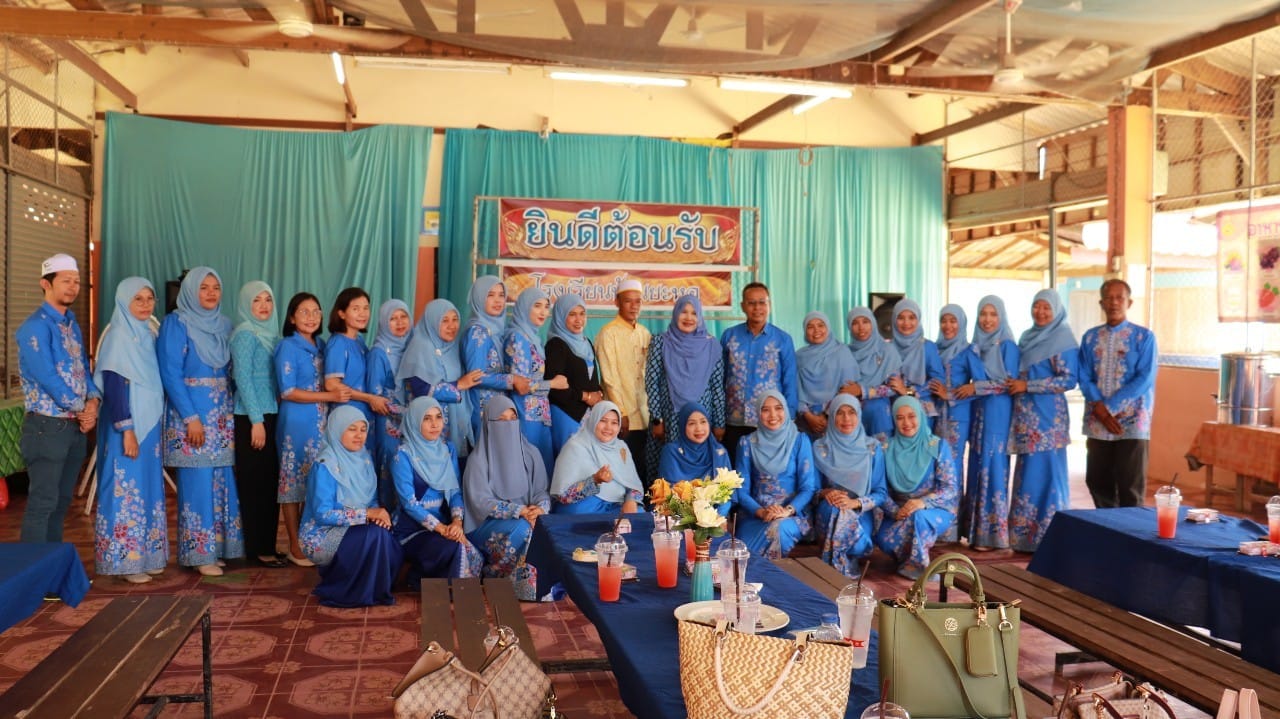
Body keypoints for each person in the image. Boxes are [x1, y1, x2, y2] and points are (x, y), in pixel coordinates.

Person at [157, 267, 244, 576]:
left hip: (221, 416)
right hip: (192, 417)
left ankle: (216, 549)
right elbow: (170, 373)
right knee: (197, 483)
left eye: (215, 287)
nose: (210, 293)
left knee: (220, 481)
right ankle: (198, 554)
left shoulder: (225, 325)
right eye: (203, 287)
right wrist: (191, 417)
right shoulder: (176, 323)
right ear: (190, 291)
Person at [17, 253, 100, 543]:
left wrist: (93, 402)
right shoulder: (34, 327)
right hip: (47, 427)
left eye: (76, 281)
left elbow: (83, 370)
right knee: (43, 503)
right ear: (46, 283)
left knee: (62, 502)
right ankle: (33, 569)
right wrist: (82, 409)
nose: (73, 287)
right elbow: (48, 377)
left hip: (73, 428)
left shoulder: (71, 324)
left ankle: (51, 565)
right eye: (66, 281)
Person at [93, 277, 167, 583]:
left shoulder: (148, 334)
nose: (146, 304)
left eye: (150, 298)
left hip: (148, 427)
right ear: (124, 301)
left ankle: (147, 555)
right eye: (138, 299)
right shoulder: (118, 337)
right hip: (126, 427)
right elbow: (114, 387)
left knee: (147, 488)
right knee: (125, 490)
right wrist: (127, 429)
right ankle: (125, 561)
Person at [299, 405, 403, 607]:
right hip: (321, 534)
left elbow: (371, 500)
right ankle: (350, 591)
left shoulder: (364, 459)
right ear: (337, 430)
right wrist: (367, 515)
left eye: (363, 430)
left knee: (384, 535)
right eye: (352, 429)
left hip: (355, 526)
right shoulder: (325, 465)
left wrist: (376, 517)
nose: (359, 436)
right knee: (374, 535)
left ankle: (374, 590)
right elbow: (323, 514)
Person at [275, 293, 345, 567]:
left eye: (316, 311)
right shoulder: (287, 346)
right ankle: (295, 544)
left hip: (323, 422)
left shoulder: (323, 345)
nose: (311, 317)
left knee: (315, 479)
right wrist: (330, 397)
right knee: (292, 483)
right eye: (304, 312)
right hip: (297, 422)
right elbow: (288, 391)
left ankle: (311, 540)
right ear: (292, 317)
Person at [1008, 289, 1078, 552]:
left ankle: (1049, 537)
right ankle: (1024, 538)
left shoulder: (1064, 339)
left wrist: (1029, 385)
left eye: (1047, 307)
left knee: (1048, 475)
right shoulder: (1027, 337)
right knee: (1028, 474)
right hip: (1025, 417)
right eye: (1037, 306)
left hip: (1049, 420)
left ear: (1057, 310)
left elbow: (1068, 380)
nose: (1041, 312)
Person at [1078, 279, 1157, 509]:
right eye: (1108, 298)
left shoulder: (1144, 337)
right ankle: (1106, 528)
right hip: (1097, 422)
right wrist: (1099, 409)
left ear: (1129, 302)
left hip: (1131, 423)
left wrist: (1109, 408)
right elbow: (1083, 375)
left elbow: (1145, 377)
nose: (1114, 302)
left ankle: (1130, 531)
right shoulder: (1090, 338)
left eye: (1119, 298)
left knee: (1130, 486)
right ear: (1101, 303)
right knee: (1098, 482)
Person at [391, 397, 483, 587]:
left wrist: (456, 523)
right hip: (411, 531)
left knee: (469, 548)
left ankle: (426, 581)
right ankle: (433, 585)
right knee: (454, 547)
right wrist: (442, 529)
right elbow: (409, 503)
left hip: (444, 527)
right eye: (427, 418)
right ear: (415, 421)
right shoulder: (403, 455)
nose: (434, 424)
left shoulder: (447, 449)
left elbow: (455, 492)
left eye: (438, 417)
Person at [463, 396, 550, 578]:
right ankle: (496, 575)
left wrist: (539, 509)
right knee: (523, 529)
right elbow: (481, 502)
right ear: (488, 424)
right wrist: (519, 511)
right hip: (485, 524)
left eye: (513, 419)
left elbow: (541, 491)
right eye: (501, 420)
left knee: (540, 527)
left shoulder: (531, 453)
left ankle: (528, 582)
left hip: (526, 518)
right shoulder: (478, 460)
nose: (509, 425)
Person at [230, 281, 285, 568]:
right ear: (246, 304)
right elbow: (243, 379)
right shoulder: (245, 334)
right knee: (254, 485)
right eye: (256, 300)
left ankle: (267, 545)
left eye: (268, 300)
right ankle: (257, 548)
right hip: (251, 418)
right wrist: (256, 420)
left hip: (270, 414)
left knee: (269, 483)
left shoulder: (271, 335)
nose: (264, 306)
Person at [874, 396, 959, 580]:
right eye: (900, 418)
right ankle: (910, 555)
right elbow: (880, 489)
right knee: (884, 540)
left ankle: (919, 570)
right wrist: (896, 511)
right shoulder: (886, 449)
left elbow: (950, 488)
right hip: (901, 511)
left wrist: (923, 502)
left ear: (920, 416)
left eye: (911, 416)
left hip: (935, 509)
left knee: (919, 518)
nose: (906, 423)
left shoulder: (937, 446)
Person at [961, 296, 1019, 551]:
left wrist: (976, 387)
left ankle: (992, 535)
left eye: (993, 314)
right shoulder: (975, 346)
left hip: (998, 411)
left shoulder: (1008, 346)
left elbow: (1009, 383)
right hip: (979, 410)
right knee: (977, 464)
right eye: (983, 314)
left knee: (993, 466)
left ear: (1001, 317)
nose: (987, 320)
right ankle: (975, 533)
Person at [644, 295, 724, 479]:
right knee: (669, 470)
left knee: (700, 472)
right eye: (684, 312)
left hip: (701, 421)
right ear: (675, 314)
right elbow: (651, 382)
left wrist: (719, 423)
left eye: (694, 313)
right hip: (669, 420)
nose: (689, 318)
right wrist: (657, 419)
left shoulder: (711, 345)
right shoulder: (661, 342)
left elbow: (717, 387)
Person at [719, 283, 797, 463]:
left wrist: (790, 418)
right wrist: (718, 419)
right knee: (734, 471)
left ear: (769, 305)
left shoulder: (783, 339)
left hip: (769, 420)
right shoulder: (729, 336)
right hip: (734, 420)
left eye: (762, 302)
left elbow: (790, 380)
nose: (757, 308)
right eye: (751, 303)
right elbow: (720, 378)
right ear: (742, 306)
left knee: (764, 470)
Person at [734, 391, 818, 559]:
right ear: (758, 413)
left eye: (778, 408)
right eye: (765, 409)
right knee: (740, 551)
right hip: (755, 515)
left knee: (779, 530)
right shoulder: (747, 443)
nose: (773, 415)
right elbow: (741, 491)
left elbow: (808, 488)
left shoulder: (799, 441)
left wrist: (786, 511)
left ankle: (766, 573)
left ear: (785, 410)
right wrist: (761, 512)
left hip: (791, 515)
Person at [928, 304, 986, 542]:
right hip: (934, 416)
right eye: (944, 320)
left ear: (961, 324)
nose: (948, 326)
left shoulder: (967, 350)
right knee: (935, 467)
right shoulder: (934, 348)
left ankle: (951, 528)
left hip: (956, 418)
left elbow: (982, 386)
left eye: (953, 321)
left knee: (951, 468)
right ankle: (936, 522)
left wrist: (949, 394)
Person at [813, 394, 887, 578]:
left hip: (860, 512)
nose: (846, 419)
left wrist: (855, 503)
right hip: (828, 509)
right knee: (836, 510)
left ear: (859, 415)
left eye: (852, 412)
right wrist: (827, 493)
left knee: (856, 536)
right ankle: (841, 569)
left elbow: (881, 493)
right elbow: (812, 490)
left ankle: (834, 565)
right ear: (832, 416)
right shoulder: (820, 448)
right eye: (840, 413)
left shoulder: (872, 448)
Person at [398, 299, 483, 459]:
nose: (452, 326)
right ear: (432, 321)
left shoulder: (453, 347)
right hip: (430, 424)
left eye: (455, 319)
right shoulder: (420, 347)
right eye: (444, 321)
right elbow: (422, 389)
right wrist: (459, 385)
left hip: (454, 421)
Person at [503, 287, 567, 473]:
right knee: (529, 467)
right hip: (524, 412)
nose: (543, 312)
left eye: (546, 307)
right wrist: (553, 384)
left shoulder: (533, 338)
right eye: (537, 306)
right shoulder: (517, 337)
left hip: (539, 414)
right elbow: (521, 385)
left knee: (542, 469)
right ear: (524, 307)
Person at [595, 278, 652, 480]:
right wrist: (621, 412)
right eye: (628, 301)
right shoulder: (608, 333)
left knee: (643, 470)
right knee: (621, 469)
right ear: (617, 302)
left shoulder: (644, 333)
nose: (634, 306)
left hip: (645, 415)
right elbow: (609, 377)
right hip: (621, 418)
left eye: (638, 301)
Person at [462, 276, 530, 436]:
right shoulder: (477, 332)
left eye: (501, 295)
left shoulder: (496, 331)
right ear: (479, 298)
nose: (498, 300)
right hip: (483, 409)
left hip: (499, 409)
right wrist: (512, 380)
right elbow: (476, 377)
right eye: (490, 295)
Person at [550, 401, 643, 514]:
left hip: (614, 505)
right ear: (593, 420)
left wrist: (631, 501)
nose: (608, 427)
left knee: (639, 513)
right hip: (583, 507)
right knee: (578, 513)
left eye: (614, 423)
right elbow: (563, 496)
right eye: (603, 420)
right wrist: (594, 480)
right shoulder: (575, 446)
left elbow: (633, 484)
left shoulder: (621, 448)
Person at [325, 287, 390, 438]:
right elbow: (331, 384)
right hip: (347, 417)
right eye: (356, 309)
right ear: (341, 313)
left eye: (366, 308)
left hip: (364, 414)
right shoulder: (338, 343)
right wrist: (370, 398)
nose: (363, 313)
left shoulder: (358, 340)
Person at [366, 299, 412, 509]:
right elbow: (375, 398)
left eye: (403, 317)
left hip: (411, 424)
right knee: (389, 469)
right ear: (384, 322)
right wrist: (408, 413)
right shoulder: (379, 352)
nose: (400, 322)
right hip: (388, 424)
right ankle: (387, 521)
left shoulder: (413, 346)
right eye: (393, 319)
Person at [546, 293, 603, 455]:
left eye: (582, 314)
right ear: (560, 317)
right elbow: (555, 390)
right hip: (566, 415)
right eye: (572, 314)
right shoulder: (556, 345)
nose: (578, 320)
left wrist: (599, 393)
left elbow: (591, 380)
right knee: (570, 461)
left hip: (588, 415)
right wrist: (586, 396)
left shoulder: (586, 342)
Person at [795, 311, 859, 436]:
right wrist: (808, 416)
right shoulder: (799, 356)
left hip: (838, 415)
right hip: (805, 418)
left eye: (821, 325)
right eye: (810, 327)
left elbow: (848, 389)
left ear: (828, 327)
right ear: (805, 331)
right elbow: (793, 389)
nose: (816, 330)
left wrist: (826, 415)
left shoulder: (842, 352)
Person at [843, 307, 901, 442]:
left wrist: (862, 391)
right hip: (850, 413)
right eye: (855, 323)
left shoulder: (887, 350)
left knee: (879, 453)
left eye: (865, 321)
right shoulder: (845, 352)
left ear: (873, 323)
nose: (861, 327)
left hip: (879, 415)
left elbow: (894, 387)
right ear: (849, 327)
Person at [888, 298, 945, 419]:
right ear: (894, 320)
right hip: (892, 404)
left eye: (911, 317)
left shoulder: (927, 347)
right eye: (901, 318)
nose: (906, 323)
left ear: (918, 320)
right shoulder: (887, 348)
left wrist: (908, 391)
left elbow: (938, 380)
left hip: (921, 405)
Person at [657, 402, 733, 484]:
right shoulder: (671, 452)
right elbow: (666, 489)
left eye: (703, 422)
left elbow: (729, 487)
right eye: (691, 423)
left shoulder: (719, 452)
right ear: (683, 426)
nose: (699, 429)